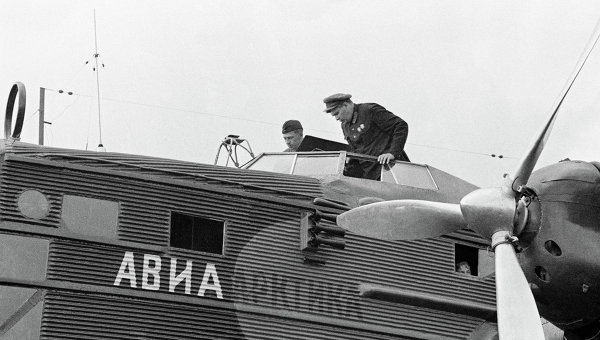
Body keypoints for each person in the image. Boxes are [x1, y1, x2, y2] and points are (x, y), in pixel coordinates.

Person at [323, 93, 409, 180]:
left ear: (345, 105)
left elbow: (400, 126)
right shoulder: (345, 126)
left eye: (337, 113)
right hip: (369, 176)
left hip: (390, 171)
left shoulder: (369, 110)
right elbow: (357, 149)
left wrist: (392, 153)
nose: (337, 118)